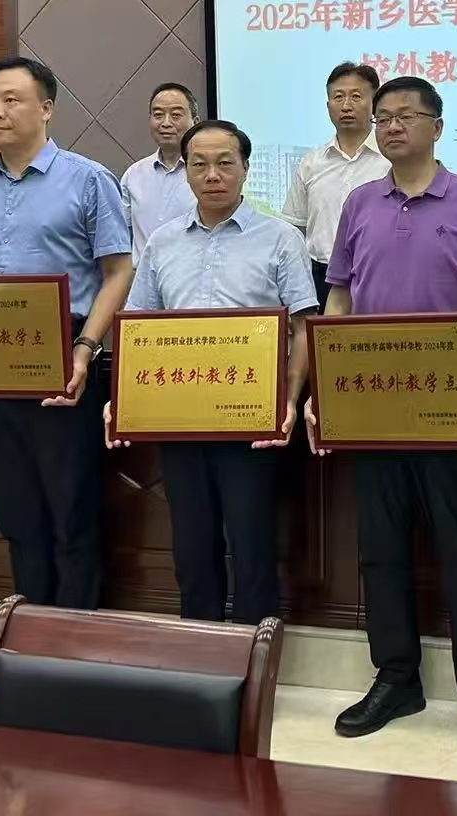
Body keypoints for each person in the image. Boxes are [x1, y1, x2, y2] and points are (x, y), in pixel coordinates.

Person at [0, 56, 133, 695]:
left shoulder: (88, 179)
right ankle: (24, 640)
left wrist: (86, 349)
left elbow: (119, 270)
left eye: (11, 99)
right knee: (15, 509)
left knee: (70, 506)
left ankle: (73, 646)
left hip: (65, 356)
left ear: (46, 108)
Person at [312, 76, 457, 751]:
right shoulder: (359, 202)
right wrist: (326, 393)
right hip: (371, 404)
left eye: (405, 115)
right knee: (380, 550)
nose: (392, 126)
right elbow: (338, 298)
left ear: (436, 126)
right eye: (384, 117)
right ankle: (395, 676)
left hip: (446, 404)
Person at [106, 120, 316, 624]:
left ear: (246, 169)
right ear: (186, 173)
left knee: (251, 541)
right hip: (179, 417)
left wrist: (289, 400)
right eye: (199, 164)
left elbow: (304, 327)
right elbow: (139, 326)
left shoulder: (281, 238)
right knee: (191, 541)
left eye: (225, 163)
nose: (212, 175)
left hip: (251, 416)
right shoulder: (162, 242)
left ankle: (253, 650)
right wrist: (123, 398)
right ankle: (200, 643)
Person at [282, 62, 391, 308]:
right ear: (328, 105)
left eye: (356, 96)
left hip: (380, 274)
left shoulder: (392, 160)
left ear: (374, 104)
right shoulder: (312, 162)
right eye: (338, 97)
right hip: (321, 277)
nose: (346, 105)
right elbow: (295, 228)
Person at [121, 81, 200, 261]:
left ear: (195, 122)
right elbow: (120, 235)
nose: (166, 123)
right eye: (158, 115)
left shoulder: (206, 175)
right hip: (142, 276)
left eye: (176, 115)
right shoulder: (134, 174)